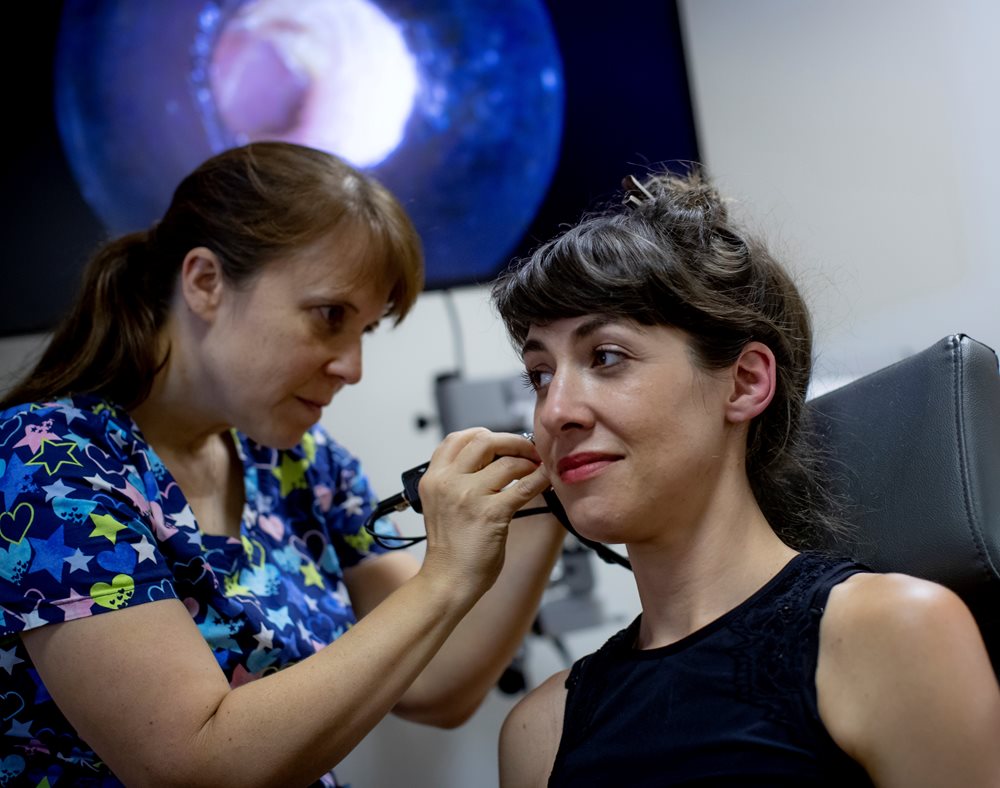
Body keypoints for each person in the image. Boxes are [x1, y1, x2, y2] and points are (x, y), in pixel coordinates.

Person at [0, 141, 565, 787]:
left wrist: (543, 502)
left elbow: (438, 686)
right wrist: (446, 575)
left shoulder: (299, 464)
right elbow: (194, 766)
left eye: (365, 332)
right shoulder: (49, 465)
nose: (352, 368)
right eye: (329, 317)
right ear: (205, 282)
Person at [491, 169, 1000, 787]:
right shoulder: (538, 733)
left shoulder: (892, 635)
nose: (554, 411)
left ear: (745, 382)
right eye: (540, 374)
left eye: (606, 357)